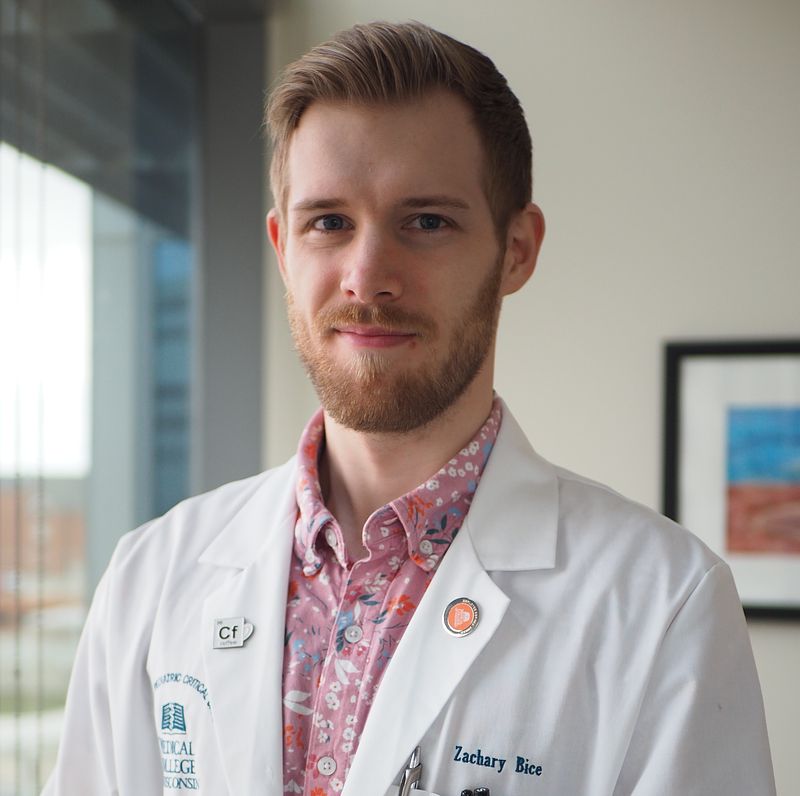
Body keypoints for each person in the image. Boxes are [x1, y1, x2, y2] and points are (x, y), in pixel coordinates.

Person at [45, 20, 775, 796]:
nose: (367, 276)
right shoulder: (151, 576)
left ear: (517, 250)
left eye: (426, 221)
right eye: (329, 222)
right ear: (283, 249)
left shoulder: (662, 605)